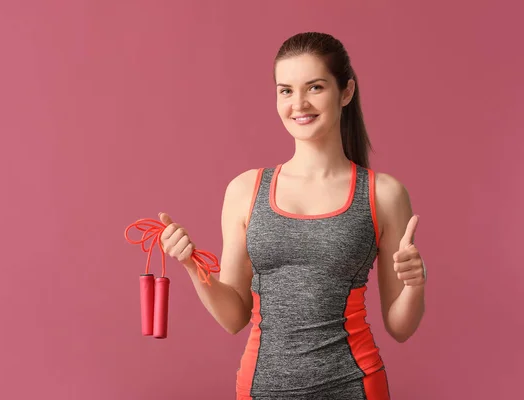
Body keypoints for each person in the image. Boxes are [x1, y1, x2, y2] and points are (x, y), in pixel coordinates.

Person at [158, 32, 426, 400]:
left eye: (315, 87)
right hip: (262, 388)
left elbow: (400, 327)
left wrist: (414, 284)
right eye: (285, 90)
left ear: (345, 92)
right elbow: (234, 316)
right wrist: (192, 265)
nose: (299, 103)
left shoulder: (384, 194)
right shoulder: (244, 190)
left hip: (355, 387)